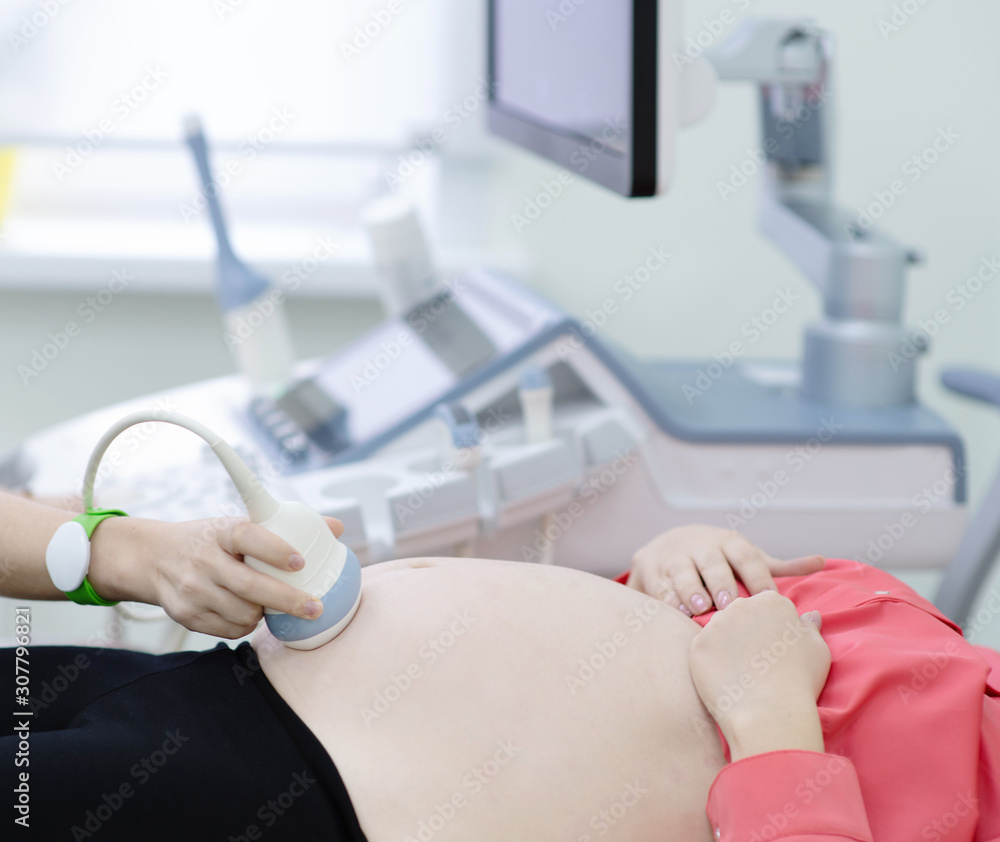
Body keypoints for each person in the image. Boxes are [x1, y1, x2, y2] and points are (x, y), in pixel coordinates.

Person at [1, 489, 999, 841]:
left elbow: (759, 690)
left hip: (305, 799)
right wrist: (681, 558)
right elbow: (718, 617)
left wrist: (773, 721)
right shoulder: (960, 656)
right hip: (216, 684)